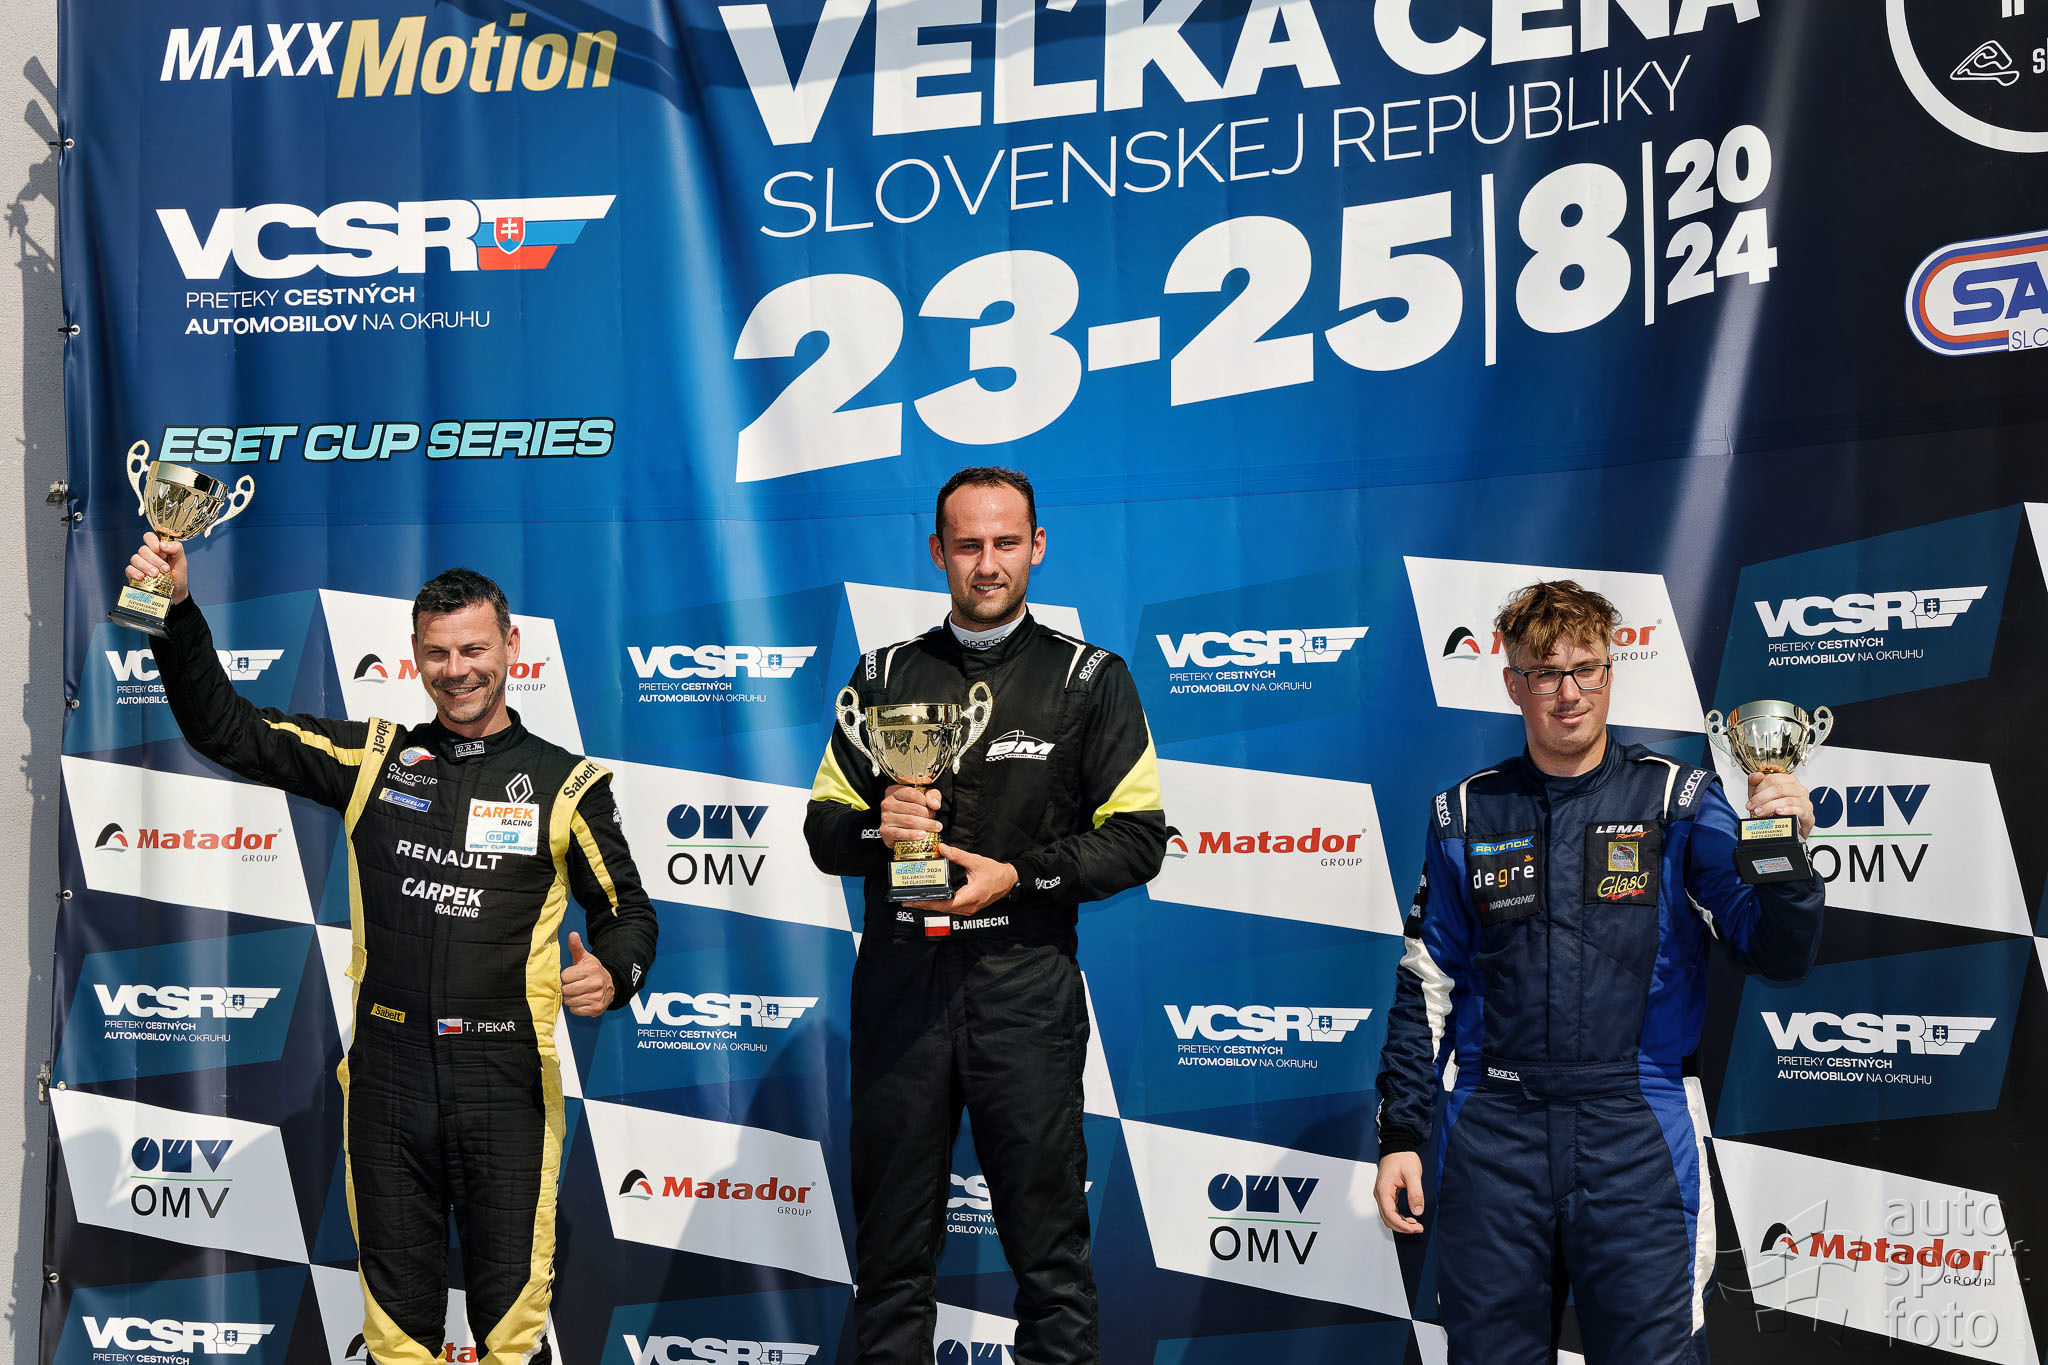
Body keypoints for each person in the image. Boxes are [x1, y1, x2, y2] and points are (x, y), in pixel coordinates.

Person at [126, 534, 656, 1365]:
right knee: (399, 1335)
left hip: (504, 1082)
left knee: (512, 1333)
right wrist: (176, 610)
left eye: (474, 649)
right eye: (439, 653)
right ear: (414, 656)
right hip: (390, 1080)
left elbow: (628, 912)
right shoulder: (375, 759)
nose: (458, 670)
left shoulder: (565, 783)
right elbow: (226, 729)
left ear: (511, 647)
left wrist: (614, 972)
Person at [1372, 580, 1824, 1365]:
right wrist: (1402, 1133)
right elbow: (1425, 986)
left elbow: (1775, 951)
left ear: (1611, 672)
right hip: (1495, 1131)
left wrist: (1784, 850)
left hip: (1636, 1127)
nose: (1569, 692)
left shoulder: (1680, 800)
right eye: (1546, 673)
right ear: (1513, 684)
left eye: (1586, 668)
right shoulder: (1465, 814)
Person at [805, 467, 1166, 1365]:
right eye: (968, 544)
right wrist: (879, 827)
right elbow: (823, 829)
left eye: (1006, 542)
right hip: (901, 986)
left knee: (1050, 1257)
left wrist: (1018, 876)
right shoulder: (883, 674)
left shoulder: (1090, 678)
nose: (988, 563)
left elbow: (1138, 839)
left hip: (1024, 988)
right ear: (938, 552)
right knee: (890, 1257)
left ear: (1037, 545)